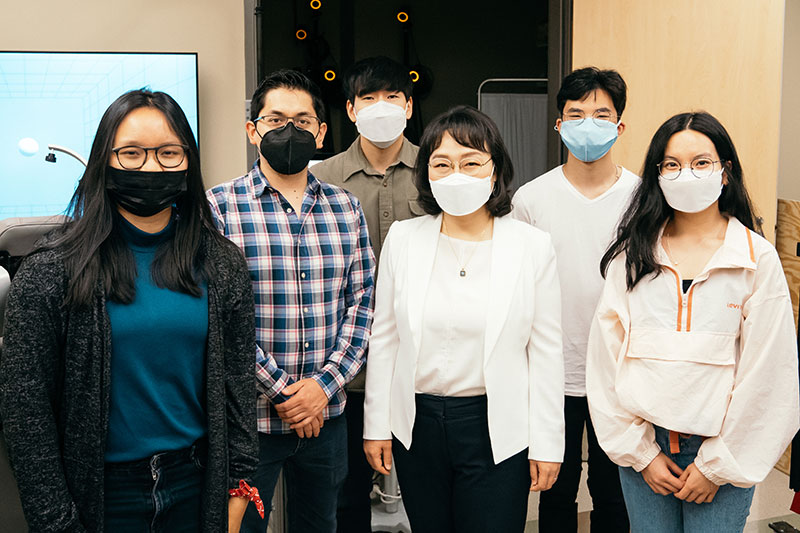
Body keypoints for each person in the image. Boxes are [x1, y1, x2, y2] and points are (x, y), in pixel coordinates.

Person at [0, 89, 260, 533]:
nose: (151, 167)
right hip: (99, 496)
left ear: (188, 162)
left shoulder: (221, 262)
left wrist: (239, 483)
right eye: (132, 153)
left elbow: (237, 382)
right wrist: (56, 521)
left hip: (195, 485)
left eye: (168, 153)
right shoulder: (51, 271)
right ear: (105, 160)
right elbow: (26, 413)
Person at [586, 111, 800, 532]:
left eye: (701, 162)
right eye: (672, 164)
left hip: (724, 452)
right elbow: (604, 360)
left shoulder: (756, 259)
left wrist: (716, 466)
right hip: (645, 448)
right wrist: (641, 453)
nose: (687, 174)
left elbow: (770, 375)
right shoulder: (633, 257)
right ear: (657, 175)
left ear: (725, 173)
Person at [363, 105, 565, 533]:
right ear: (427, 174)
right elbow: (385, 340)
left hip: (495, 424)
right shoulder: (404, 238)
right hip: (417, 425)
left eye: (471, 162)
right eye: (442, 163)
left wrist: (549, 444)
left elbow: (546, 351)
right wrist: (376, 425)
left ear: (495, 170)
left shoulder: (531, 246)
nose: (457, 173)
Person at [207, 69, 375, 533]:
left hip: (327, 416)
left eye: (302, 121)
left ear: (321, 132)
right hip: (249, 419)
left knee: (321, 523)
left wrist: (323, 385)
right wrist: (282, 390)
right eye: (276, 119)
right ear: (252, 130)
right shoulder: (217, 206)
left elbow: (362, 302)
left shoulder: (346, 207)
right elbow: (216, 314)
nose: (289, 131)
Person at [512, 66, 635, 532]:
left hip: (620, 373)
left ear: (620, 126)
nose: (589, 124)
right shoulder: (531, 199)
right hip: (551, 371)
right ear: (559, 125)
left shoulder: (643, 197)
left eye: (601, 114)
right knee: (555, 493)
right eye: (576, 113)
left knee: (613, 492)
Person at [311, 55, 420, 533]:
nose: (382, 107)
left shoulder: (437, 170)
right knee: (346, 496)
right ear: (350, 110)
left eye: (392, 97)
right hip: (348, 366)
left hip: (422, 362)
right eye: (369, 98)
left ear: (409, 106)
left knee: (427, 491)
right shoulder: (322, 177)